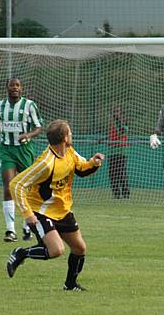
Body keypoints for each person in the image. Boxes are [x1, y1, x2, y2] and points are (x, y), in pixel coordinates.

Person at [6, 119, 104, 291]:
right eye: (70, 132)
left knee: (79, 248)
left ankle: (70, 285)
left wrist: (94, 163)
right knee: (56, 250)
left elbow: (82, 168)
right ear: (65, 137)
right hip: (42, 212)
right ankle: (21, 253)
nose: (71, 134)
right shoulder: (46, 163)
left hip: (63, 210)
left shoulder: (69, 152)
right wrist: (27, 214)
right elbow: (16, 184)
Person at [0, 78, 43, 242]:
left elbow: (39, 127)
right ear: (7, 88)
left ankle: (28, 226)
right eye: (12, 85)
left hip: (25, 150)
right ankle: (10, 231)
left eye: (17, 85)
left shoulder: (30, 105)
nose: (15, 88)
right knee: (9, 187)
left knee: (27, 189)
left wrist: (28, 135)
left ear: (21, 89)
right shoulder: (0, 105)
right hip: (6, 150)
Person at [107, 107, 130, 199]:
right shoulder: (113, 126)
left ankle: (125, 193)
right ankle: (116, 194)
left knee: (121, 173)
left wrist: (117, 118)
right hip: (112, 153)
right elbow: (112, 136)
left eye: (117, 112)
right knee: (112, 174)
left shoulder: (124, 126)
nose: (116, 114)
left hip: (121, 152)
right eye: (114, 112)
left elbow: (121, 131)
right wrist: (104, 139)